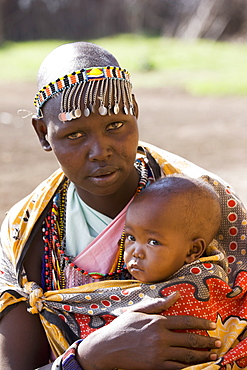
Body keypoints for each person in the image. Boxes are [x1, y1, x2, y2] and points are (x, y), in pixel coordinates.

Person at [0, 41, 247, 370]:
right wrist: (89, 357)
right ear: (43, 133)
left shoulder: (207, 203)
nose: (99, 151)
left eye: (115, 125)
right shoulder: (25, 234)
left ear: (134, 110)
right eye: (74, 135)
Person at [124, 174, 222, 284]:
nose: (136, 253)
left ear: (192, 250)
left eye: (153, 242)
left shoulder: (197, 291)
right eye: (131, 237)